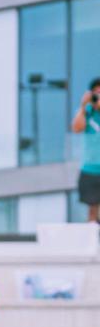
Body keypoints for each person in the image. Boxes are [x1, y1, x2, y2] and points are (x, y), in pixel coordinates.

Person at [71, 78, 100, 223]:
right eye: (96, 93)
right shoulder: (86, 112)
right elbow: (76, 128)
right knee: (92, 210)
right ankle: (92, 243)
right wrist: (83, 106)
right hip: (90, 169)